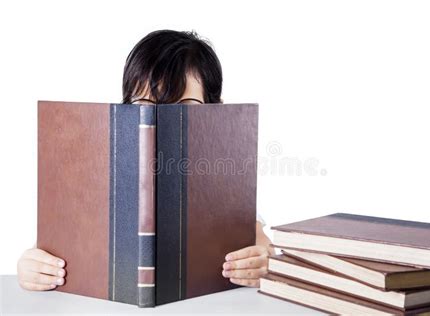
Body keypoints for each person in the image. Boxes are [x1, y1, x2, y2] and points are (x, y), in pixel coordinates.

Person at [17, 29, 275, 291]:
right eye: (143, 104)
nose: (162, 122)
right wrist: (33, 267)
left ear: (216, 111)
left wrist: (268, 262)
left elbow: (262, 243)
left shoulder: (223, 182)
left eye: (184, 106)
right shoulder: (94, 176)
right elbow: (51, 253)